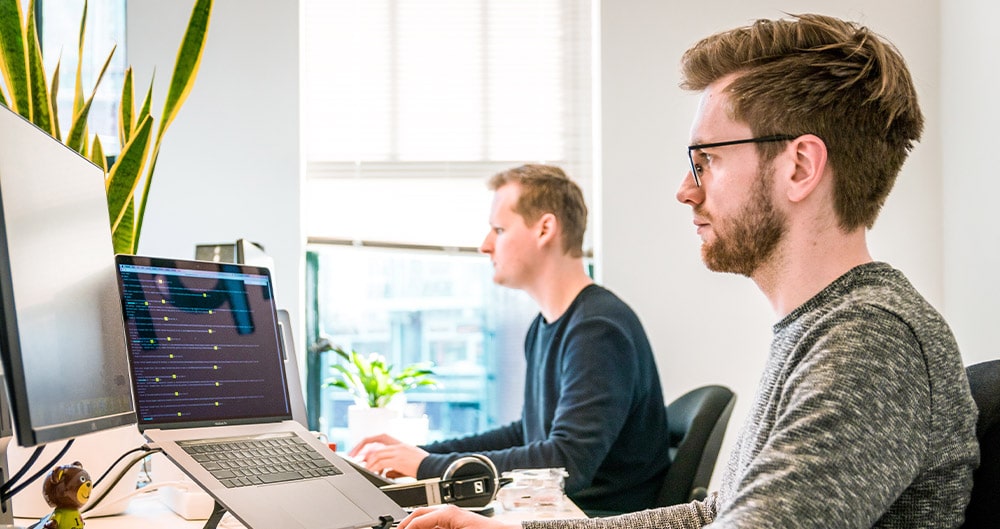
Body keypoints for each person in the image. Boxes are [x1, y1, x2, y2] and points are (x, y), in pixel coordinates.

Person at [396, 13, 979, 529]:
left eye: (706, 161)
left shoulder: (869, 340)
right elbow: (716, 511)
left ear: (799, 166)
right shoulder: (823, 328)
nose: (684, 190)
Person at [350, 164, 672, 515]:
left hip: (596, 518)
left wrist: (428, 467)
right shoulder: (547, 325)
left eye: (499, 230)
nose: (485, 246)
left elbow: (566, 464)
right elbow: (528, 433)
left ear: (545, 229)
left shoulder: (598, 330)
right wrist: (423, 454)